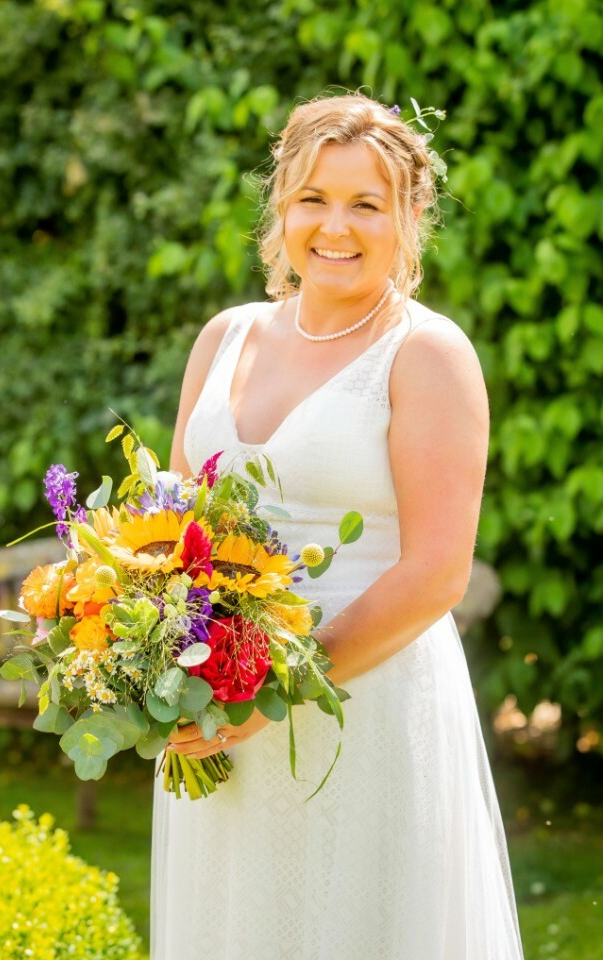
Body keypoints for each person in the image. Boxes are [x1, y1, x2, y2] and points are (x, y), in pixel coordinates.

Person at [150, 92, 524, 960]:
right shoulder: (224, 338)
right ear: (280, 206)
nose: (336, 227)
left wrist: (274, 692)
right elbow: (175, 527)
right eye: (314, 198)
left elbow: (437, 572)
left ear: (410, 216)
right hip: (219, 714)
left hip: (366, 707)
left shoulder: (427, 355)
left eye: (366, 203)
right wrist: (143, 649)